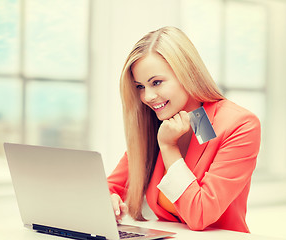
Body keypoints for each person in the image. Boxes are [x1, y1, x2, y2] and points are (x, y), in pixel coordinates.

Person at [107, 26, 261, 233]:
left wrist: (169, 147)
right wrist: (109, 200)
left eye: (157, 82)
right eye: (140, 86)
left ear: (186, 73)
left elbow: (200, 214)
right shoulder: (157, 123)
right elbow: (109, 188)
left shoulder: (239, 124)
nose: (148, 97)